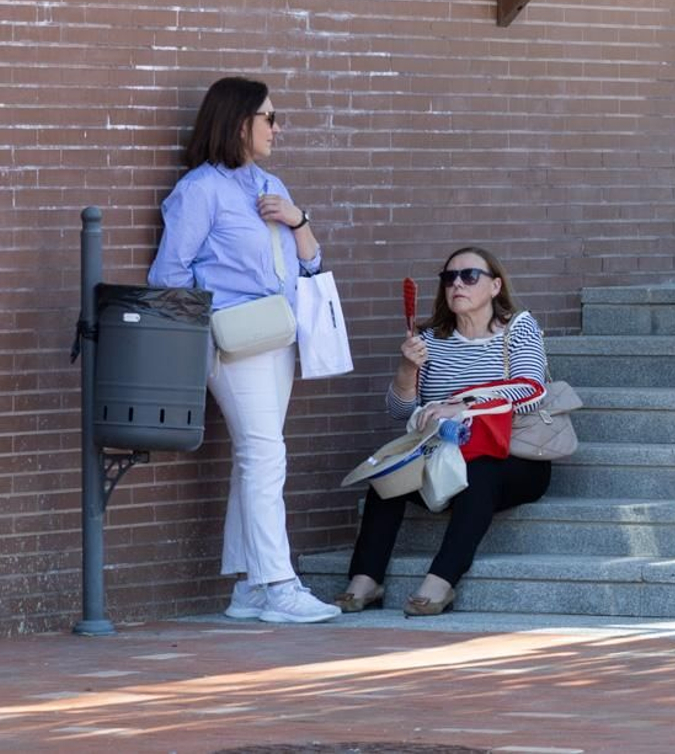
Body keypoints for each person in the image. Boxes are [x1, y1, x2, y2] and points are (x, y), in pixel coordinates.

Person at [148, 77, 340, 624]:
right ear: (239, 124)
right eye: (269, 119)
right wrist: (209, 327)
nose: (277, 129)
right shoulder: (199, 191)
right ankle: (278, 583)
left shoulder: (269, 184)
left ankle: (248, 588)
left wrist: (296, 219)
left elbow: (309, 263)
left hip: (277, 338)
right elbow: (168, 275)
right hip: (233, 340)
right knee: (266, 456)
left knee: (256, 457)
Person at [339, 248, 552, 616]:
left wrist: (464, 405)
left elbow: (532, 390)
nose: (457, 284)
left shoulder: (517, 327)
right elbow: (400, 411)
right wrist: (407, 370)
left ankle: (441, 581)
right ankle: (366, 580)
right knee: (386, 476)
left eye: (470, 276)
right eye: (449, 277)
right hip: (443, 455)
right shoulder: (430, 339)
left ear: (495, 285)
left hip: (515, 455)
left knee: (481, 471)